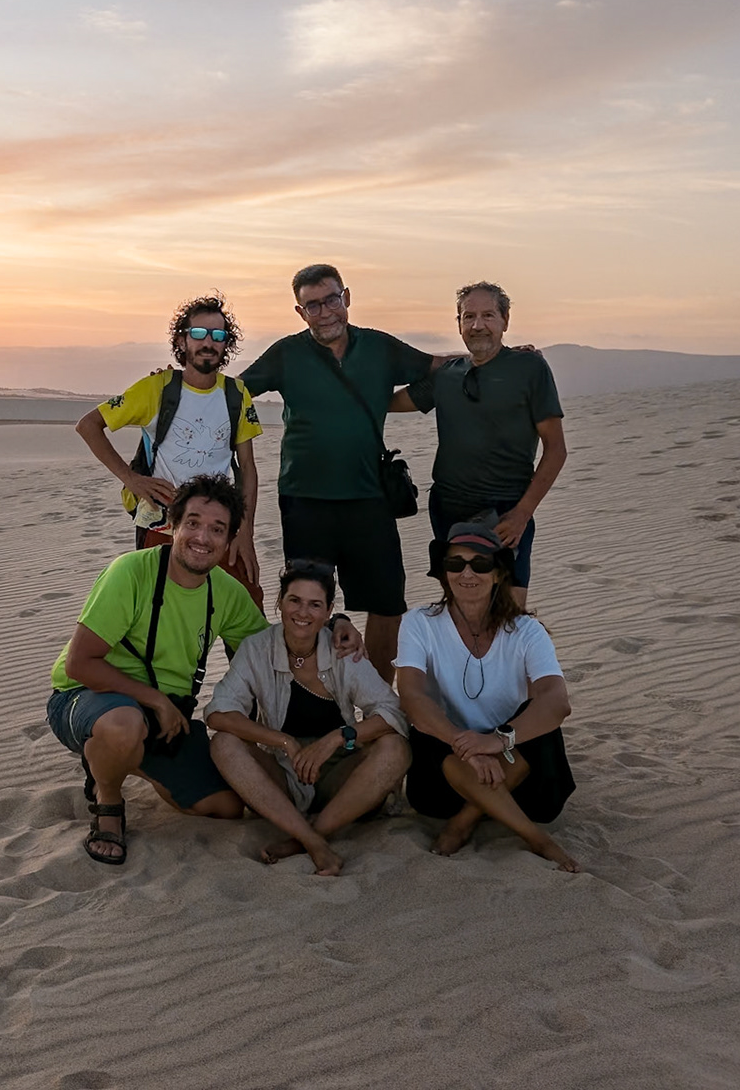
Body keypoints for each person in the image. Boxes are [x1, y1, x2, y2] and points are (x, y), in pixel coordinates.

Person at [45, 475, 358, 865]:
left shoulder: (226, 592)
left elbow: (276, 644)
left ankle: (117, 756)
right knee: (123, 726)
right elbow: (79, 663)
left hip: (165, 717)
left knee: (225, 806)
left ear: (229, 542)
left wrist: (335, 621)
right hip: (86, 697)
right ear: (172, 526)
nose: (202, 537)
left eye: (217, 529)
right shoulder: (130, 572)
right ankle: (107, 798)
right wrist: (155, 699)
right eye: (192, 523)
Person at [240, 263, 439, 682]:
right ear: (300, 312)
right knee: (305, 607)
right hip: (304, 501)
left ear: (346, 297)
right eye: (313, 305)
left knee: (387, 604)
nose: (325, 311)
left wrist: (505, 358)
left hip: (368, 498)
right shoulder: (286, 353)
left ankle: (379, 700)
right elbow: (232, 392)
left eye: (332, 299)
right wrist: (177, 384)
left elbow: (437, 368)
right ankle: (314, 702)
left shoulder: (380, 348)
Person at [394, 518, 579, 872]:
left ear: (498, 573)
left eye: (480, 563)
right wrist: (466, 744)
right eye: (455, 563)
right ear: (444, 572)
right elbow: (411, 696)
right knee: (426, 726)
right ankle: (538, 839)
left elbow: (557, 701)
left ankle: (466, 819)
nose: (467, 573)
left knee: (540, 719)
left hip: (519, 774)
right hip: (444, 778)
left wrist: (498, 741)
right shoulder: (419, 623)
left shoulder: (526, 631)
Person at [206, 561, 412, 876]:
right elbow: (218, 713)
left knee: (396, 749)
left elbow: (392, 712)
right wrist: (284, 741)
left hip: (341, 776)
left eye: (315, 604)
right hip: (283, 776)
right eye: (294, 600)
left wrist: (337, 738)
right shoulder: (257, 648)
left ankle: (310, 837)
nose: (303, 612)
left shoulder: (342, 650)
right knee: (223, 745)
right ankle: (310, 839)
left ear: (329, 611)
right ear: (280, 602)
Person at [76, 293, 265, 604]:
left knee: (245, 614)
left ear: (226, 344)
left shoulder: (237, 394)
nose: (209, 342)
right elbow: (88, 425)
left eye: (218, 335)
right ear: (181, 341)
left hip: (221, 526)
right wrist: (131, 479)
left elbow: (248, 467)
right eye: (199, 333)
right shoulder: (157, 388)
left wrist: (246, 531)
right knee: (161, 618)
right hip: (161, 527)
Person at [392, 282, 566, 607]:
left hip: (506, 512)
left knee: (508, 615)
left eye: (488, 315)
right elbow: (390, 403)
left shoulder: (530, 368)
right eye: (468, 316)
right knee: (461, 614)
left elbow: (556, 450)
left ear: (505, 320)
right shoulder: (447, 376)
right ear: (458, 323)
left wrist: (522, 514)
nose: (477, 325)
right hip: (448, 509)